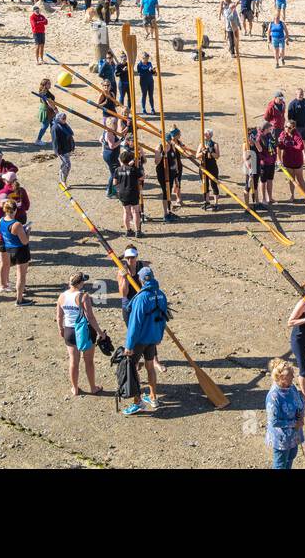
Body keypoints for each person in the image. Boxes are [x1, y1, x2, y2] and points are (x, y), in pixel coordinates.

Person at [123, 266, 169, 414]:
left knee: (133, 368)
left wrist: (129, 345)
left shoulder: (141, 298)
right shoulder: (161, 295)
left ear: (141, 280)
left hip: (140, 340)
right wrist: (159, 337)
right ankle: (153, 397)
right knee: (150, 366)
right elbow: (164, 318)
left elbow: (134, 324)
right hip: (153, 338)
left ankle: (138, 402)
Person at [57, 272, 103, 397]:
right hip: (84, 331)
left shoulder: (62, 296)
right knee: (88, 361)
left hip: (69, 330)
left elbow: (59, 316)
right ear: (80, 283)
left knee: (73, 361)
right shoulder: (83, 297)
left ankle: (75, 388)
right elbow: (90, 317)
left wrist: (61, 329)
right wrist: (100, 333)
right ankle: (93, 387)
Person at [265, 358, 305, 468]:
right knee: (280, 465)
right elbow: (274, 421)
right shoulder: (273, 397)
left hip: (294, 434)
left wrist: (301, 414)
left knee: (291, 458)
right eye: (290, 374)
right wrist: (294, 423)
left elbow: (299, 401)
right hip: (281, 439)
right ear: (281, 378)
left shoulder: (291, 387)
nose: (293, 376)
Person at [0, 198, 31, 304]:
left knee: (17, 273)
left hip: (9, 249)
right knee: (21, 275)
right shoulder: (17, 224)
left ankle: (18, 293)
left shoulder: (1, 221)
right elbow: (25, 241)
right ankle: (19, 300)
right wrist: (28, 232)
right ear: (15, 210)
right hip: (20, 250)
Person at [115, 150, 144, 237]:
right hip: (132, 192)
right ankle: (138, 231)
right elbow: (142, 177)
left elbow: (114, 182)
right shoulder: (133, 169)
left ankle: (128, 230)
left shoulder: (117, 169)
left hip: (122, 193)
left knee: (126, 212)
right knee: (135, 211)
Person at [52, 112, 76, 186]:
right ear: (59, 119)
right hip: (62, 150)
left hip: (67, 148)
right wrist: (58, 151)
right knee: (67, 165)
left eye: (65, 118)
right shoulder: (55, 127)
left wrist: (72, 146)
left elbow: (70, 136)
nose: (65, 120)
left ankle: (61, 176)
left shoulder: (64, 125)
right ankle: (63, 181)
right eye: (63, 118)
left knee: (65, 164)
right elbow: (55, 140)